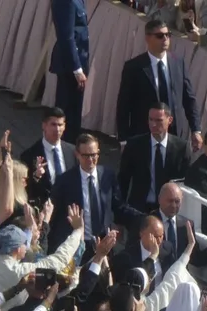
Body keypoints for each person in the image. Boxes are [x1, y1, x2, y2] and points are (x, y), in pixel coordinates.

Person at [0, 208, 83, 311]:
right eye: (24, 244)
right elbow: (60, 259)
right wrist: (77, 231)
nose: (26, 247)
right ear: (17, 249)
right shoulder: (24, 271)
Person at [49, 134, 141, 257]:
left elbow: (118, 206)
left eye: (93, 155)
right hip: (76, 246)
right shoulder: (65, 181)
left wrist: (142, 217)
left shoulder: (107, 176)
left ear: (98, 153)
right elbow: (54, 215)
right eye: (85, 155)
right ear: (77, 154)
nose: (90, 159)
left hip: (103, 244)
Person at [115, 20, 202, 150]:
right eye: (160, 36)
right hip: (144, 134)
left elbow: (189, 98)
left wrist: (196, 130)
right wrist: (123, 140)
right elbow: (124, 105)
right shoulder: (134, 67)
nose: (165, 39)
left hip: (174, 134)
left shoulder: (178, 63)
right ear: (148, 38)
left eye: (168, 35)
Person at [119, 103, 193, 213]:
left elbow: (186, 183)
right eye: (151, 119)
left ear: (170, 120)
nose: (153, 124)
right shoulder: (135, 145)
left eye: (159, 120)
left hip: (169, 210)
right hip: (139, 209)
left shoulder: (181, 148)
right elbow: (123, 179)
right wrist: (120, 211)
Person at [153, 182, 207, 267]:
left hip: (179, 274)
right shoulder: (149, 223)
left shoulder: (186, 225)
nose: (173, 205)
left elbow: (195, 258)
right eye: (170, 201)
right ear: (159, 199)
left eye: (177, 201)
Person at [49, 0, 89, 142]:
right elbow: (66, 36)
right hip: (69, 65)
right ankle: (63, 145)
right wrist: (76, 69)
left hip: (77, 61)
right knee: (67, 113)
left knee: (73, 112)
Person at [20, 108, 76, 207]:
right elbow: (24, 188)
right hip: (44, 208)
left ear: (64, 126)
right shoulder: (29, 155)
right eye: (53, 124)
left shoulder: (73, 151)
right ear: (44, 125)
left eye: (60, 125)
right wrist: (36, 176)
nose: (57, 129)